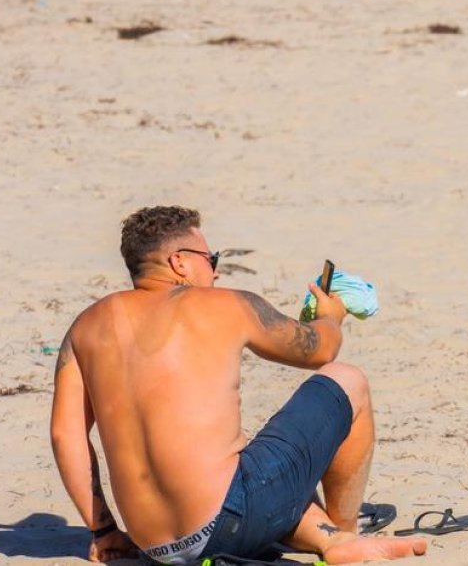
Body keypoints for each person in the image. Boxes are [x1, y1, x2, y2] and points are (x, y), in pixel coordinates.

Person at [49, 206, 427, 564]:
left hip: (156, 546)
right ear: (178, 261)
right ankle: (346, 534)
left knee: (245, 455)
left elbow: (66, 436)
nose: (215, 273)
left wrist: (104, 531)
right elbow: (320, 351)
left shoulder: (85, 326)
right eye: (210, 259)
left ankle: (323, 535)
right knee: (348, 381)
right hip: (231, 520)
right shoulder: (221, 304)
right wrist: (331, 315)